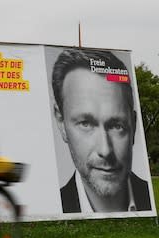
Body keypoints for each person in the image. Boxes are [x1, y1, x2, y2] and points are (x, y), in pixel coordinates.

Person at [52, 49, 151, 213]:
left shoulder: (148, 196)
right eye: (86, 123)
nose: (105, 150)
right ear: (61, 122)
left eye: (117, 126)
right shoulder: (54, 206)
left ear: (133, 125)